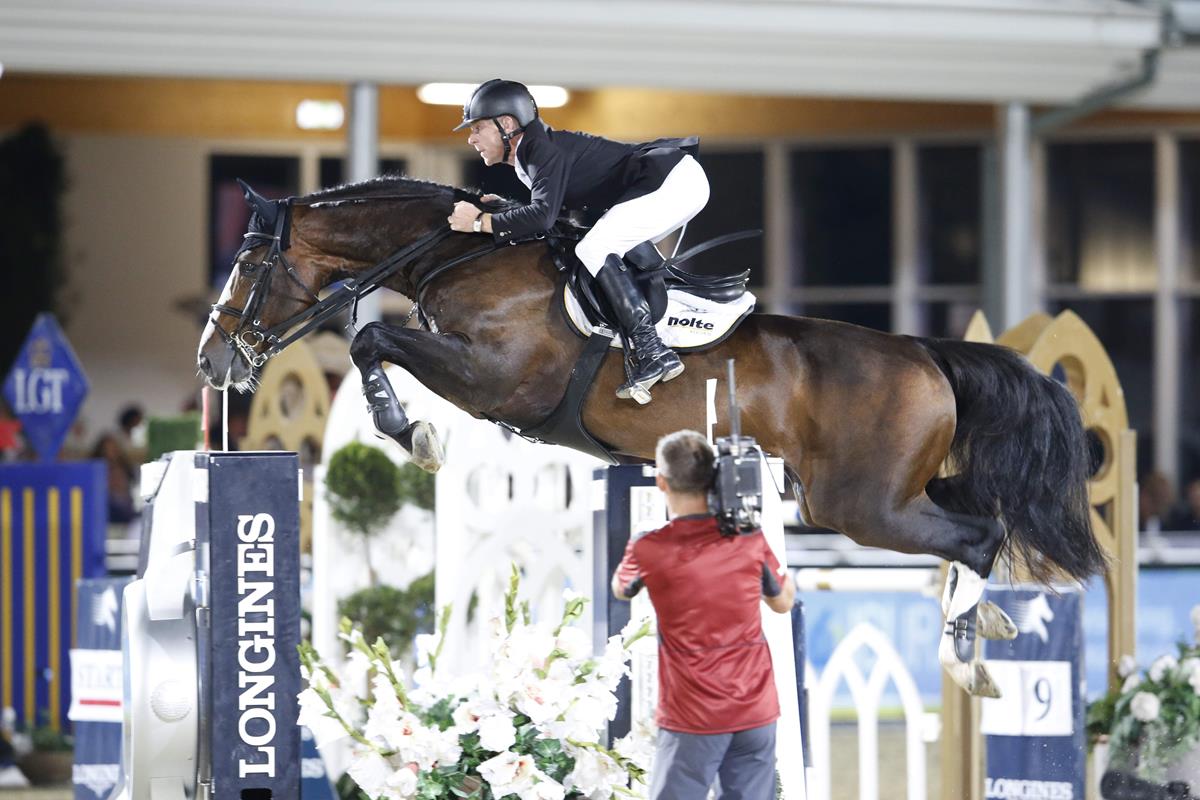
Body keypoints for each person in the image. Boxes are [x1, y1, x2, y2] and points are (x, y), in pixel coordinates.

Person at [447, 79, 710, 404]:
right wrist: (504, 210)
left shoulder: (540, 149)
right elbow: (554, 218)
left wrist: (477, 222)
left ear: (507, 124)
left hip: (671, 179)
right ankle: (656, 337)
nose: (471, 139)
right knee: (601, 249)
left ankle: (651, 350)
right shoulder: (530, 157)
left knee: (595, 247)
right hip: (673, 180)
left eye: (477, 128)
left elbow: (542, 218)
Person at [611, 430, 795, 800]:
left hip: (692, 716)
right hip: (754, 710)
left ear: (662, 481)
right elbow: (783, 601)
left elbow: (622, 587)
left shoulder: (648, 546)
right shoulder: (748, 539)